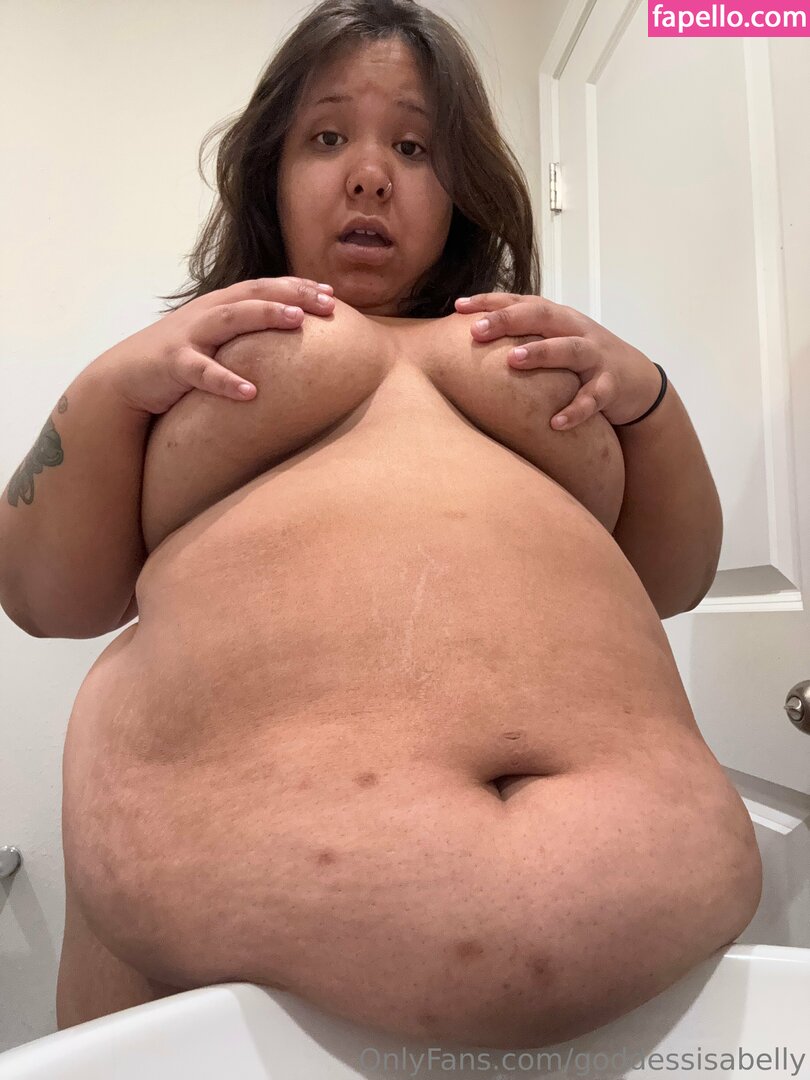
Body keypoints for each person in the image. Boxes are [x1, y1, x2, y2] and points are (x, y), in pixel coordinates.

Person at [0, 0, 761, 1051]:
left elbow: (673, 580)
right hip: (222, 975)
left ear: (461, 189)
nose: (369, 175)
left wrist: (650, 399)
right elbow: (44, 598)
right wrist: (103, 385)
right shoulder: (191, 354)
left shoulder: (535, 343)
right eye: (326, 138)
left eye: (414, 147)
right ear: (270, 173)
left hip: (647, 970)